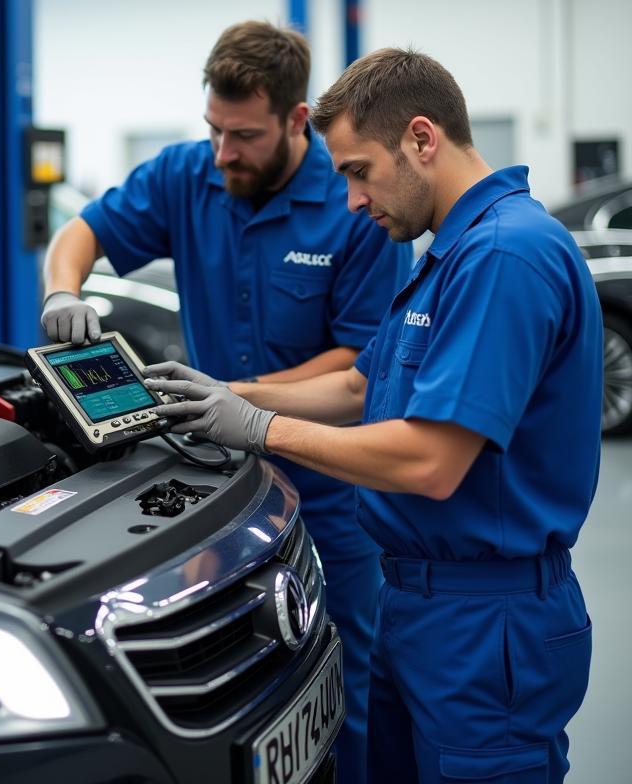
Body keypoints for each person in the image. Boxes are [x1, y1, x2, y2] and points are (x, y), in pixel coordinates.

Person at [144, 47, 602, 784]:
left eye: (359, 171)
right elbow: (360, 388)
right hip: (415, 605)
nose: (352, 201)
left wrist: (258, 430)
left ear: (422, 139)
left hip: (486, 623)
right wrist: (228, 394)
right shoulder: (447, 254)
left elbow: (429, 459)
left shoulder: (503, 257)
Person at [41, 21, 413, 783]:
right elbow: (81, 231)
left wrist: (239, 399)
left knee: (346, 678)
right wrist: (61, 289)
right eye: (213, 130)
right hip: (220, 483)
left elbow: (358, 364)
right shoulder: (186, 177)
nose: (223, 154)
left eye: (243, 136)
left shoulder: (354, 204)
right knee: (236, 686)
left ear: (296, 120)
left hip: (330, 493)